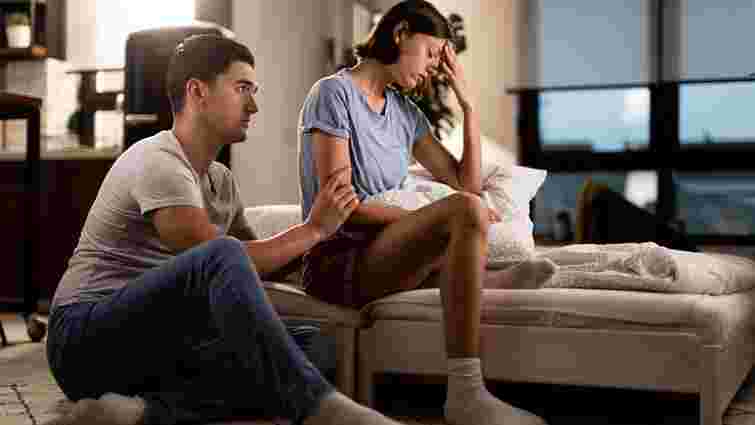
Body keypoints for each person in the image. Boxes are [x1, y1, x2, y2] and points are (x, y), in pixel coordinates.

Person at [45, 34, 406, 425]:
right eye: (242, 88)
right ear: (197, 92)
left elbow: (256, 267)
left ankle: (140, 413)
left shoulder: (220, 180)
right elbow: (213, 254)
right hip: (84, 339)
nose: (253, 105)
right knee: (224, 252)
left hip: (160, 343)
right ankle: (320, 409)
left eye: (254, 91)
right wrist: (313, 229)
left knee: (313, 346)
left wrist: (343, 238)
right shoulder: (158, 161)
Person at [297, 2, 553, 425]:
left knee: (466, 208)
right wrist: (431, 216)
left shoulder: (405, 113)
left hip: (388, 255)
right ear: (400, 34)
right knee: (463, 212)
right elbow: (342, 209)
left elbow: (466, 185)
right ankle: (467, 392)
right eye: (432, 53)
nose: (435, 67)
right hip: (338, 262)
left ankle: (477, 282)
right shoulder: (332, 94)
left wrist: (469, 106)